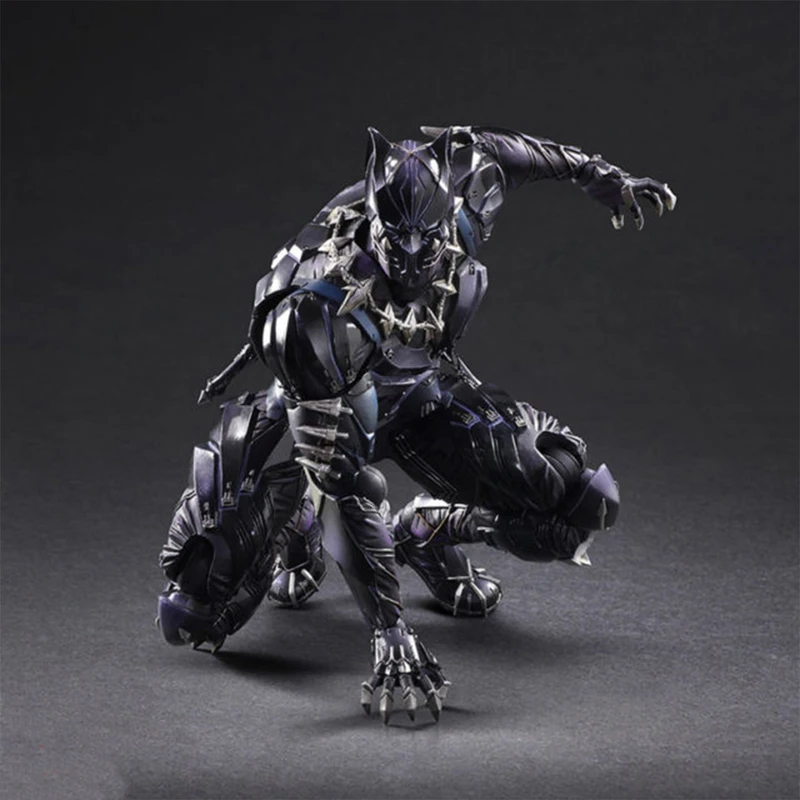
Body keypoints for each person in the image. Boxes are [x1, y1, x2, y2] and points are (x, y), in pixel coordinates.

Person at [157, 125, 677, 723]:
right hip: (318, 421)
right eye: (394, 238)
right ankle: (293, 529)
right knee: (196, 604)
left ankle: (430, 532)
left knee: (571, 495)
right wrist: (390, 631)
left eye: (424, 238)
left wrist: (600, 175)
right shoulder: (314, 313)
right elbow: (344, 486)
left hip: (418, 401)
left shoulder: (465, 194)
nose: (409, 254)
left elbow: (514, 154)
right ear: (373, 223)